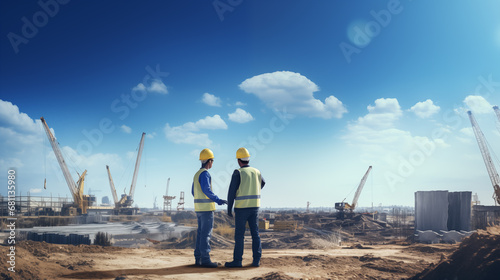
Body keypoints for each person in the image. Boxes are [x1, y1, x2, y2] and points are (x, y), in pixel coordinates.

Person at [225, 147, 265, 268]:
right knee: (255, 234)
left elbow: (231, 192)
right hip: (255, 208)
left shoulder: (238, 172)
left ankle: (237, 261)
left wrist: (229, 209)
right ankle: (256, 260)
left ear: (238, 160)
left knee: (240, 235)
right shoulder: (257, 171)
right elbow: (263, 183)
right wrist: (255, 189)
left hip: (242, 208)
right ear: (248, 159)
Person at [192, 148, 227, 268]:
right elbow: (206, 190)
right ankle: (206, 260)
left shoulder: (197, 174)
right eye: (212, 161)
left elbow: (193, 191)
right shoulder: (205, 174)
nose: (212, 163)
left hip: (199, 209)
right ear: (209, 161)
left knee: (201, 234)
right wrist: (218, 200)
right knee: (206, 235)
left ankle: (198, 259)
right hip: (206, 209)